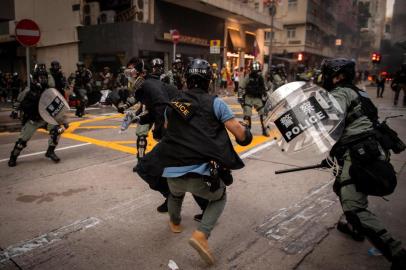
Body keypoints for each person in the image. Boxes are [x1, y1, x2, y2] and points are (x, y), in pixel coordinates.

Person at [136, 59, 253, 265]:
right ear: (209, 81)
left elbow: (164, 131)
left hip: (172, 174)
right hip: (202, 178)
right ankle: (202, 235)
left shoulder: (171, 106)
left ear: (186, 80)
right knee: (219, 198)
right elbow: (240, 135)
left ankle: (175, 222)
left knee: (175, 194)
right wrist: (246, 132)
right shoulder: (216, 103)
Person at [320, 58, 406, 270]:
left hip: (359, 153)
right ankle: (354, 228)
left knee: (353, 206)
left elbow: (329, 123)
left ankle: (397, 253)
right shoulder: (361, 92)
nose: (326, 79)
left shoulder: (339, 93)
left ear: (338, 76)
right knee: (344, 185)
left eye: (329, 75)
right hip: (373, 149)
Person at [8, 63, 67, 167]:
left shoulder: (49, 91)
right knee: (21, 142)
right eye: (41, 77)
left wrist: (63, 120)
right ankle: (13, 156)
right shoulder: (28, 90)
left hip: (46, 118)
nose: (43, 79)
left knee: (56, 131)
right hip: (33, 120)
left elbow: (55, 107)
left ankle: (50, 151)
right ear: (35, 78)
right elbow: (18, 101)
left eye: (45, 77)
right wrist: (14, 111)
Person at [238, 61, 270, 137]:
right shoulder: (248, 77)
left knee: (263, 114)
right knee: (247, 114)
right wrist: (240, 97)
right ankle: (247, 130)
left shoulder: (261, 77)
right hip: (248, 97)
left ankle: (264, 130)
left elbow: (265, 88)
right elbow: (241, 87)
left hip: (257, 98)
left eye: (258, 71)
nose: (257, 73)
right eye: (256, 71)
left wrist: (265, 96)